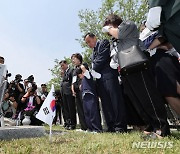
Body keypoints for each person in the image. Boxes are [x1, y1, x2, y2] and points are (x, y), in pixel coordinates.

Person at [102, 13, 170, 137]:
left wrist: (108, 28)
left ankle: (161, 127)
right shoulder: (113, 40)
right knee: (136, 100)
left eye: (108, 27)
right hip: (124, 70)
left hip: (138, 65)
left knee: (148, 96)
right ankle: (150, 124)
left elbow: (120, 34)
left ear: (112, 23)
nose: (107, 32)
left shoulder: (128, 24)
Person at [84, 33, 127, 133]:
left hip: (109, 76)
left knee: (115, 101)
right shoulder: (92, 53)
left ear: (94, 37)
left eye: (89, 41)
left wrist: (93, 69)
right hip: (100, 80)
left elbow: (103, 57)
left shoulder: (103, 43)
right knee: (106, 104)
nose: (89, 44)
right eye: (87, 43)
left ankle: (120, 126)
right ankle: (111, 126)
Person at [75, 64, 102, 132]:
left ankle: (97, 129)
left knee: (93, 113)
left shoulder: (88, 75)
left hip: (90, 96)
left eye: (80, 74)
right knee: (87, 113)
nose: (79, 76)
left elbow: (84, 69)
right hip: (85, 97)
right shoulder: (83, 80)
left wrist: (81, 66)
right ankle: (90, 128)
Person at [71, 53, 87, 131]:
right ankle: (83, 127)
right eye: (72, 59)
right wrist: (72, 89)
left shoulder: (83, 65)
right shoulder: (74, 69)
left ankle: (88, 126)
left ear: (79, 59)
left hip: (82, 89)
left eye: (74, 59)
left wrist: (82, 84)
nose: (73, 60)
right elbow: (73, 81)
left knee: (85, 108)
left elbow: (85, 75)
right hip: (76, 91)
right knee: (79, 109)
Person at [60, 60, 76, 130]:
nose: (62, 67)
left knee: (71, 108)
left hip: (69, 92)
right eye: (61, 66)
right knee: (65, 109)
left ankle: (73, 123)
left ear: (66, 64)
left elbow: (72, 81)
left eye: (63, 65)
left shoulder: (71, 70)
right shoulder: (64, 73)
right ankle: (67, 122)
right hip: (63, 92)